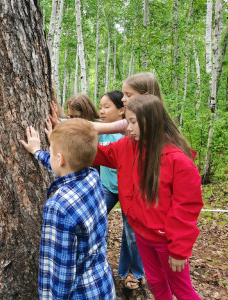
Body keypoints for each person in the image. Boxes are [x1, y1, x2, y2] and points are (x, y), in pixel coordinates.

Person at [94, 95, 202, 300]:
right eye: (127, 122)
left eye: (133, 122)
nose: (128, 128)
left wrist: (178, 250)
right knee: (155, 282)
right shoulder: (127, 146)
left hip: (167, 242)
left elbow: (186, 208)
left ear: (151, 121)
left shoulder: (178, 161)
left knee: (182, 289)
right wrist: (67, 135)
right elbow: (99, 154)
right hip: (142, 234)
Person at [20, 118, 116, 299]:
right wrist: (38, 152)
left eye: (52, 151)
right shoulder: (92, 176)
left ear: (60, 158)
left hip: (79, 293)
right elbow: (65, 169)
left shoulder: (59, 207)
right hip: (101, 284)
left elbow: (60, 270)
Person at [98, 90, 145, 289]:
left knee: (131, 233)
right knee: (92, 218)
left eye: (106, 107)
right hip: (108, 187)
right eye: (100, 107)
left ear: (121, 110)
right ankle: (95, 262)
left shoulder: (131, 132)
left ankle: (132, 271)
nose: (101, 111)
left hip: (130, 191)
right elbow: (77, 122)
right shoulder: (101, 129)